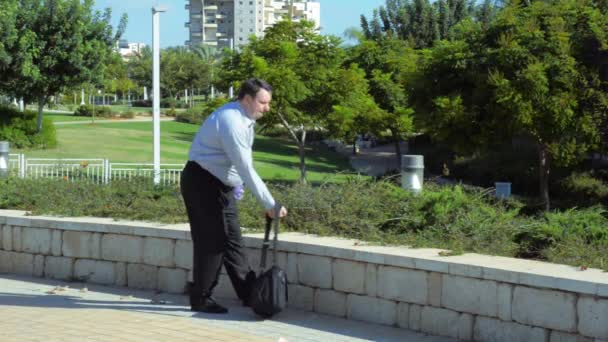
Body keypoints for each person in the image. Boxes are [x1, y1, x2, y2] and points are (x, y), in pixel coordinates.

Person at [180, 78, 288, 314]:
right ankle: (200, 297)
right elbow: (245, 167)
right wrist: (270, 203)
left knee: (233, 241)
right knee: (213, 242)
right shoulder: (232, 121)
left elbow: (237, 167)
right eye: (262, 102)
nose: (267, 108)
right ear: (247, 99)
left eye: (268, 103)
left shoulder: (244, 119)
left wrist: (235, 186)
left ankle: (249, 294)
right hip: (202, 183)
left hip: (219, 185)